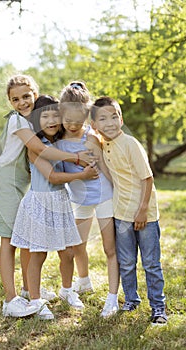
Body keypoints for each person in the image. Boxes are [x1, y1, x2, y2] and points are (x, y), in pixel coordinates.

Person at [0, 74, 96, 317]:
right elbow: (39, 150)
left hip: (24, 184)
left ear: (35, 95)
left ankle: (29, 290)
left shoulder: (35, 122)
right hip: (8, 182)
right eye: (15, 99)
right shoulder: (18, 121)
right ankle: (11, 299)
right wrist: (76, 159)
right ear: (10, 102)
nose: (22, 102)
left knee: (26, 240)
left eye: (26, 96)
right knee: (9, 240)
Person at [90, 96, 167, 325]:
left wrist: (142, 210)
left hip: (145, 215)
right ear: (95, 125)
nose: (110, 123)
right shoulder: (104, 145)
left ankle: (158, 308)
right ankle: (131, 300)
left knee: (151, 263)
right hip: (121, 214)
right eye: (102, 119)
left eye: (114, 116)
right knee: (126, 262)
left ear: (121, 119)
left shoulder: (131, 144)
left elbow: (148, 178)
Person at [57, 82, 120, 317]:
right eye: (68, 120)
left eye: (79, 120)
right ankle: (83, 281)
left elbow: (105, 167)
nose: (73, 125)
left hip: (104, 196)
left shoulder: (91, 136)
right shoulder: (57, 139)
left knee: (109, 247)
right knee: (77, 245)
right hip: (80, 200)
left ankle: (112, 298)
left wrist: (119, 191)